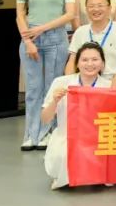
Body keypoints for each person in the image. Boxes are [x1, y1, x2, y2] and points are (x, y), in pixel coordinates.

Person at [16, 0, 75, 150]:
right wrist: (28, 41)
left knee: (52, 87)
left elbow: (70, 14)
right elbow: (20, 15)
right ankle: (31, 134)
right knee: (33, 89)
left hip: (56, 39)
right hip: (30, 39)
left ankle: (48, 132)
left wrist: (42, 28)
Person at [41, 43, 111, 188]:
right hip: (67, 137)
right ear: (77, 63)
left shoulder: (109, 86)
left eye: (95, 59)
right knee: (66, 156)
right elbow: (45, 119)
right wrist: (55, 101)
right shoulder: (61, 82)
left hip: (99, 138)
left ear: (102, 64)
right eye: (84, 60)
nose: (90, 64)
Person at [67, 0, 116, 78]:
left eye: (100, 6)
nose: (96, 9)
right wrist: (68, 80)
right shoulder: (80, 31)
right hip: (86, 80)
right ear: (86, 10)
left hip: (114, 79)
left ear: (109, 8)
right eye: (91, 6)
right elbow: (72, 61)